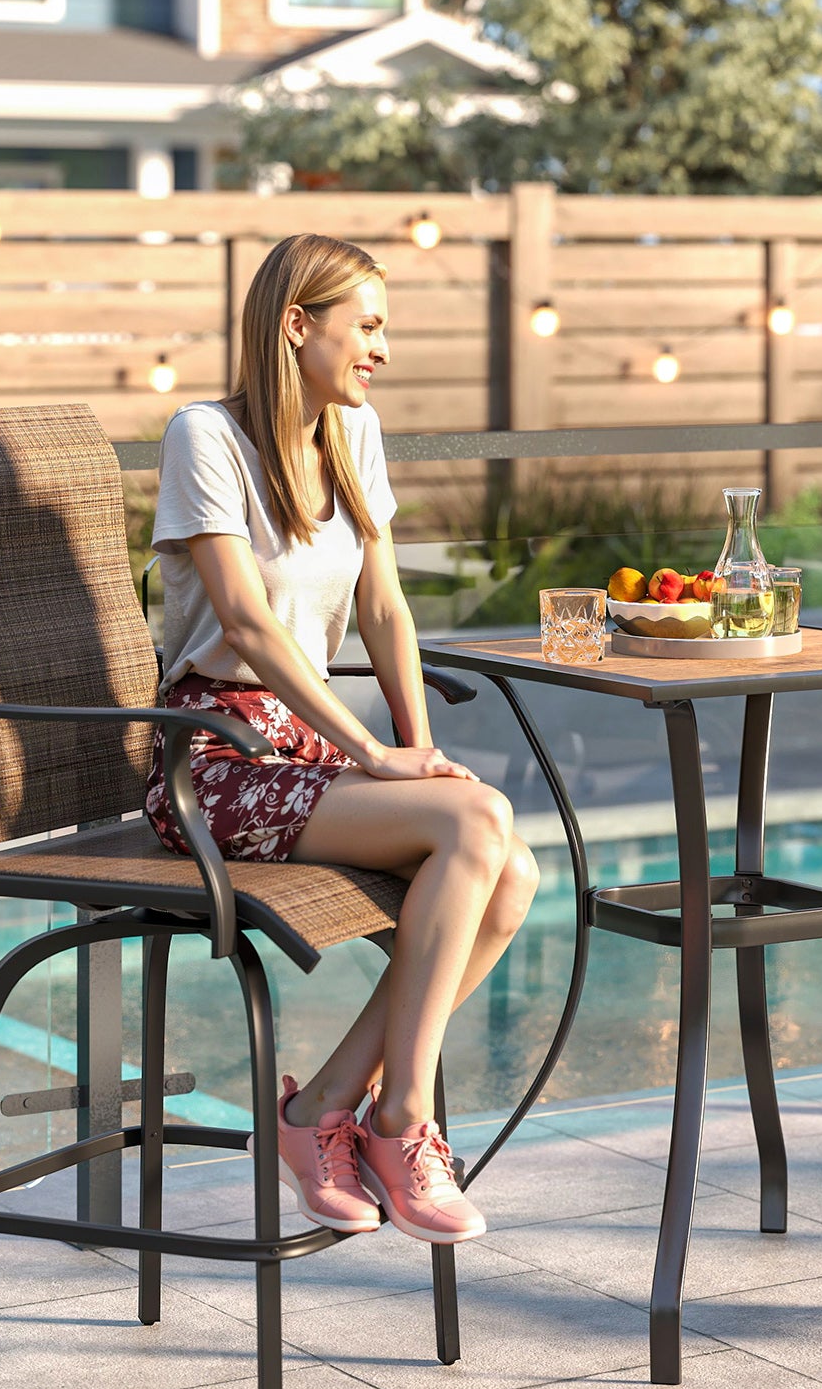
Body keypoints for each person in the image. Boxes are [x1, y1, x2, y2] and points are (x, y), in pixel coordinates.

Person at [147, 232, 537, 1245]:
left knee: (508, 867)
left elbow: (386, 609)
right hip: (215, 755)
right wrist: (372, 755)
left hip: (308, 749)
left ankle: (324, 1104)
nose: (382, 350)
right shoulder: (205, 438)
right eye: (366, 325)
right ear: (296, 324)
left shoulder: (353, 434)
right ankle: (399, 1120)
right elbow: (243, 623)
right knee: (479, 829)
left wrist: (421, 749)